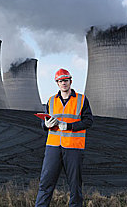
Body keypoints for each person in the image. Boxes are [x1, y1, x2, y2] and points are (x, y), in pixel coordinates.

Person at [35, 68, 93, 207]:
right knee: (45, 183)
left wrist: (69, 126)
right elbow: (44, 122)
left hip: (73, 147)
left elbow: (88, 121)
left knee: (75, 186)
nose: (63, 83)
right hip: (53, 148)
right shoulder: (51, 100)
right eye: (60, 81)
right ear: (57, 83)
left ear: (70, 81)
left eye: (65, 80)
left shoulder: (81, 100)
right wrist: (46, 124)